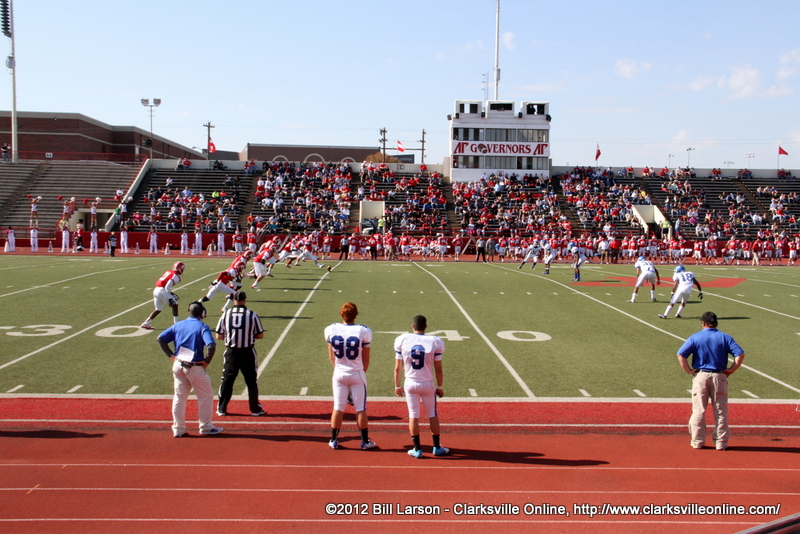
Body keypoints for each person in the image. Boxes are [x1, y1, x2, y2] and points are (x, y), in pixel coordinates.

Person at [676, 311, 745, 450]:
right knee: (720, 411)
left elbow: (681, 355)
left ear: (703, 323)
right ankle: (721, 442)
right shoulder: (725, 337)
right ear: (716, 323)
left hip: (701, 375)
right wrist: (731, 369)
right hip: (719, 376)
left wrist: (688, 370)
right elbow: (740, 354)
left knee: (698, 410)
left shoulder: (695, 337)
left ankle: (697, 441)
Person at [156, 300, 222, 437]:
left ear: (188, 312)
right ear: (203, 313)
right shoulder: (202, 327)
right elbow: (211, 345)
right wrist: (207, 361)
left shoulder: (178, 325)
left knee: (179, 398)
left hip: (179, 364)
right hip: (194, 367)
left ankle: (178, 429)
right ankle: (205, 427)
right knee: (205, 396)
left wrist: (170, 355)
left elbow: (161, 338)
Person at [394, 314, 448, 458]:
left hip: (410, 382)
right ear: (426, 327)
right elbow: (439, 369)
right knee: (432, 414)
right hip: (427, 383)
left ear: (412, 326)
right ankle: (436, 447)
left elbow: (397, 368)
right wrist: (440, 386)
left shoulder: (403, 339)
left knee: (413, 415)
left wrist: (397, 385)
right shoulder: (435, 342)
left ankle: (417, 449)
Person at [324, 302, 376, 450]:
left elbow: (331, 357)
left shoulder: (331, 329)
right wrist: (359, 372)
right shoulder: (363, 331)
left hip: (339, 372)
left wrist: (340, 369)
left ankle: (334, 440)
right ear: (356, 314)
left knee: (338, 407)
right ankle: (365, 441)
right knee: (360, 408)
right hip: (357, 373)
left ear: (341, 314)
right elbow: (366, 360)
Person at [215, 291, 266, 416]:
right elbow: (260, 335)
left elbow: (218, 336)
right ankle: (255, 409)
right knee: (251, 381)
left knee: (227, 380)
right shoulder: (252, 315)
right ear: (245, 300)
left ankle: (222, 408)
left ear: (233, 300)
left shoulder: (226, 314)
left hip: (231, 352)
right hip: (247, 351)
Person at [141, 261, 185, 330]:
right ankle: (176, 325)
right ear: (179, 269)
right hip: (162, 290)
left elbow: (164, 284)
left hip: (156, 290)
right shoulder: (176, 276)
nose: (183, 270)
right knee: (175, 304)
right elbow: (167, 287)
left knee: (158, 309)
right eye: (182, 268)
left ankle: (146, 323)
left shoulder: (169, 272)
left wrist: (169, 293)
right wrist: (169, 297)